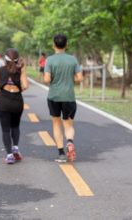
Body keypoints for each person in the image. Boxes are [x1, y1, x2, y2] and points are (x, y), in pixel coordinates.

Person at [43, 33, 83, 163]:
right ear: (66, 45)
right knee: (68, 124)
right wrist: (69, 79)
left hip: (54, 96)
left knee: (56, 123)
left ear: (53, 45)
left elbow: (46, 79)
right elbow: (80, 78)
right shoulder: (72, 60)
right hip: (69, 97)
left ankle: (61, 154)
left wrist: (55, 80)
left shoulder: (49, 60)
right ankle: (70, 142)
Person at [0, 48, 28, 164]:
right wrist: (17, 88)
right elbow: (25, 86)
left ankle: (9, 155)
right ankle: (15, 148)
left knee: (5, 129)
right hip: (17, 101)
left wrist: (3, 86)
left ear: (5, 59)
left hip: (4, 102)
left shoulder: (0, 70)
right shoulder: (20, 70)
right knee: (15, 126)